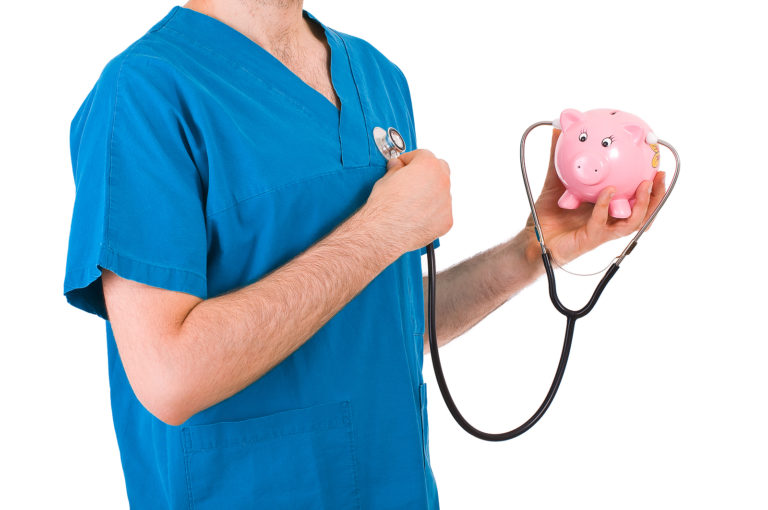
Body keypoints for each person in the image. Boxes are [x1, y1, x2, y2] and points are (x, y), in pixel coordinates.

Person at [63, 1, 666, 508]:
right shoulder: (143, 95)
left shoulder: (376, 77)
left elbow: (379, 321)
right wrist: (381, 230)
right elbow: (169, 376)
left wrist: (532, 251)